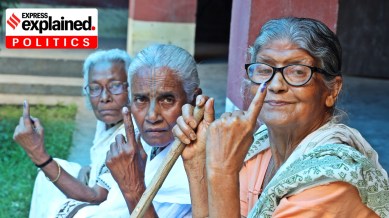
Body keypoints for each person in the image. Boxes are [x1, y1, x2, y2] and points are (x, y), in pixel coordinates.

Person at [173, 17, 389, 217]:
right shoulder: (257, 149)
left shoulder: (330, 180)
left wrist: (222, 169)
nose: (276, 85)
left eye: (297, 72)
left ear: (332, 90)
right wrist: (197, 161)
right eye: (265, 70)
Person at [13, 49, 131, 217]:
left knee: (57, 204)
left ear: (133, 88)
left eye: (115, 86)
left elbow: (96, 197)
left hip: (118, 208)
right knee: (48, 177)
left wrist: (39, 156)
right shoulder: (107, 120)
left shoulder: (128, 132)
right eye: (95, 88)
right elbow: (103, 160)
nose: (105, 97)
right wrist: (91, 168)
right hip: (103, 191)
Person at [105, 43, 203, 217]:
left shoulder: (203, 164)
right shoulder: (132, 140)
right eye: (141, 99)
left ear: (193, 100)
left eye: (167, 100)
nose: (152, 116)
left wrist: (133, 189)